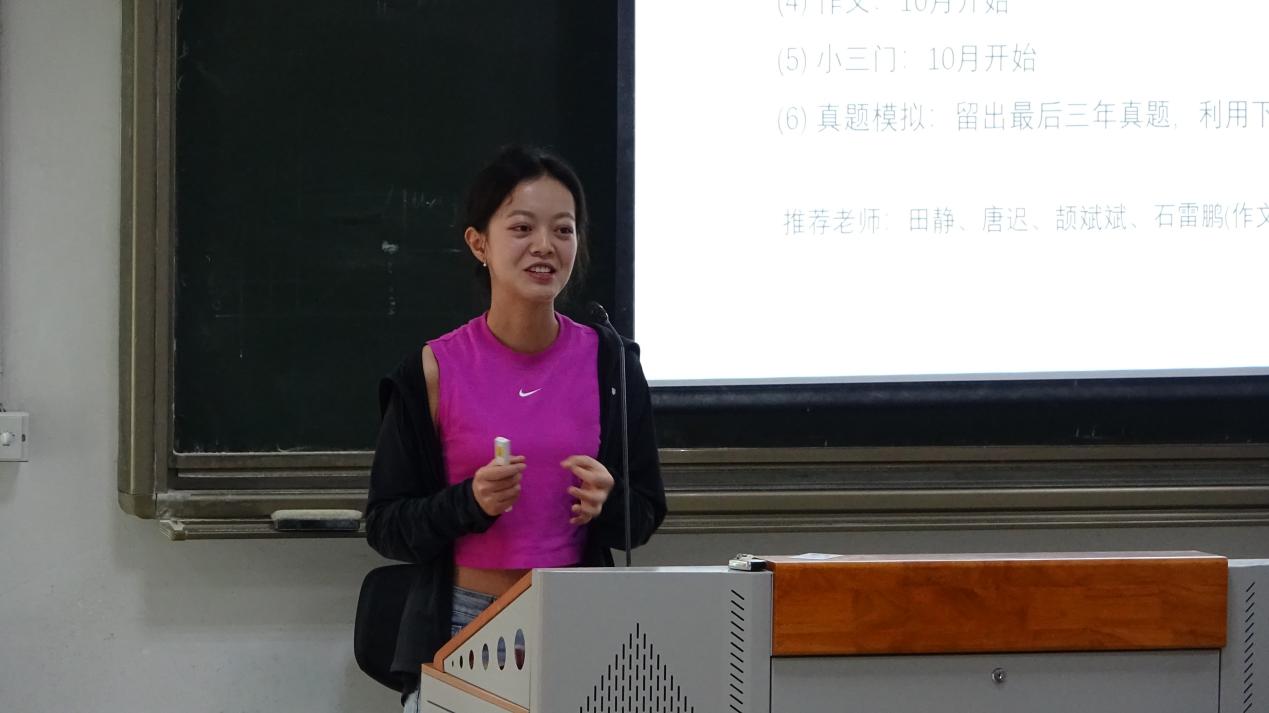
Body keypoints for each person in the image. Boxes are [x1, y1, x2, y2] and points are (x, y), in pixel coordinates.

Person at [364, 145, 666, 711]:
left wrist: (611, 503)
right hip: (462, 626)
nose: (545, 246)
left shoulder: (611, 364)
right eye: (522, 228)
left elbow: (646, 514)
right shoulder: (432, 369)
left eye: (563, 230)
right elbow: (385, 525)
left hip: (577, 625)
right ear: (479, 243)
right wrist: (468, 503)